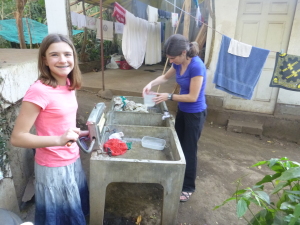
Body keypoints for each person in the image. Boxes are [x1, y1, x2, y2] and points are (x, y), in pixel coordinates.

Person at [10, 34, 89, 225]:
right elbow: (18, 138)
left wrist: (83, 133)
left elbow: (61, 125)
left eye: (67, 54)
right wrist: (58, 140)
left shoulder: (69, 84)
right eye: (55, 55)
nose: (63, 60)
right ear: (44, 60)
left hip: (72, 160)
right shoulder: (39, 90)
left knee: (73, 215)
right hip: (53, 167)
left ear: (74, 58)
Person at [143, 34, 207, 202]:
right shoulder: (178, 64)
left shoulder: (197, 67)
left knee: (189, 149)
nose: (171, 61)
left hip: (195, 113)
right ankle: (176, 176)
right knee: (177, 145)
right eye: (169, 58)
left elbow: (193, 97)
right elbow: (164, 77)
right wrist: (150, 84)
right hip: (183, 110)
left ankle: (188, 187)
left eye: (173, 58)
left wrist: (169, 96)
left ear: (184, 53)